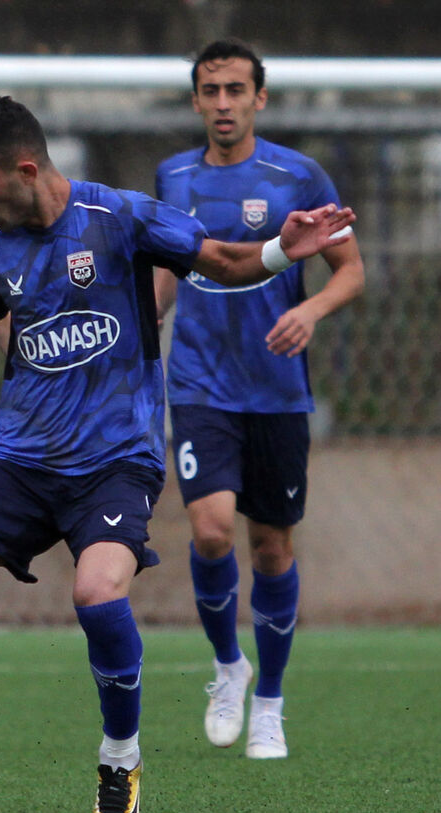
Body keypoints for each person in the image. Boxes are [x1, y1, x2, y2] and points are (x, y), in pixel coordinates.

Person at [0, 95, 355, 813]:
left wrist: (282, 249)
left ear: (27, 170)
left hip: (116, 460)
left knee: (96, 594)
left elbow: (223, 259)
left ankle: (120, 759)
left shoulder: (119, 216)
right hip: (22, 459)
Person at [153, 39, 365, 760]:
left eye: (235, 90)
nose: (222, 104)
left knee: (270, 546)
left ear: (258, 98)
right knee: (210, 531)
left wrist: (311, 312)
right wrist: (142, 319)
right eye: (210, 91)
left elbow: (350, 270)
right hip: (199, 384)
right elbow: (168, 268)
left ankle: (269, 701)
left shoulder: (296, 175)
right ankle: (226, 667)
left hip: (275, 392)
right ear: (195, 100)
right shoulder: (171, 176)